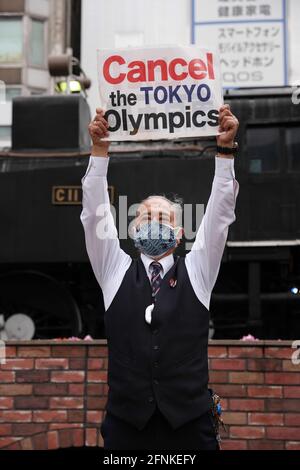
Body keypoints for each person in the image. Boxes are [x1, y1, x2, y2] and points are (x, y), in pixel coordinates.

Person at [80, 105, 239, 450]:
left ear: (179, 233)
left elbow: (219, 218)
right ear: (132, 229)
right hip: (127, 427)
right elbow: (93, 215)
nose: (153, 222)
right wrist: (99, 151)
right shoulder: (114, 269)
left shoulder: (198, 270)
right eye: (145, 217)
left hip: (189, 426)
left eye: (163, 217)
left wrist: (225, 153)